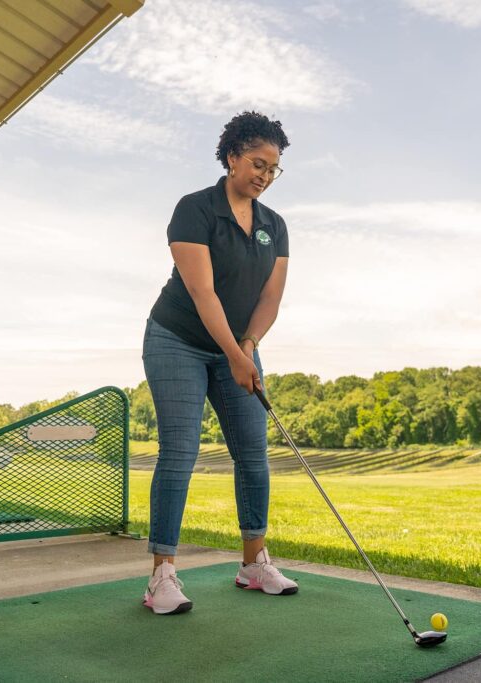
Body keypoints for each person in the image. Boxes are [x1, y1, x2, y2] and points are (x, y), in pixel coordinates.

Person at [141, 111, 296, 614]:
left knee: (253, 452)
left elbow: (270, 298)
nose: (264, 175)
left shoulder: (275, 226)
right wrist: (235, 355)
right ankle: (162, 576)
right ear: (232, 157)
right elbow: (202, 292)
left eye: (272, 168)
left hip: (237, 346)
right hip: (178, 339)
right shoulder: (195, 209)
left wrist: (248, 345)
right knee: (180, 450)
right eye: (257, 164)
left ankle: (253, 563)